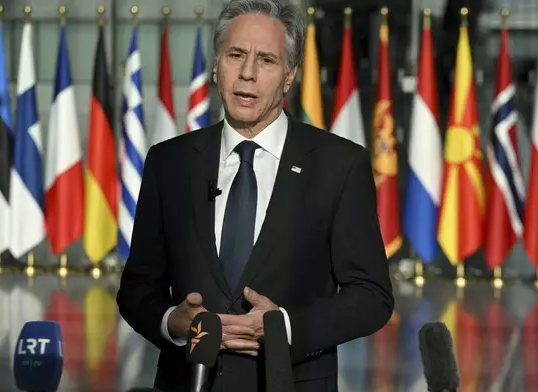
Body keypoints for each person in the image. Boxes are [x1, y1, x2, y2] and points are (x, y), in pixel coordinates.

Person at [116, 0, 394, 391]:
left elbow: (372, 296)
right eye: (236, 55)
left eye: (266, 60)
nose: (247, 73)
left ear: (289, 75)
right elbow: (137, 289)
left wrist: (284, 327)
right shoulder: (169, 163)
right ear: (216, 65)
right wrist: (172, 321)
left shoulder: (339, 165)